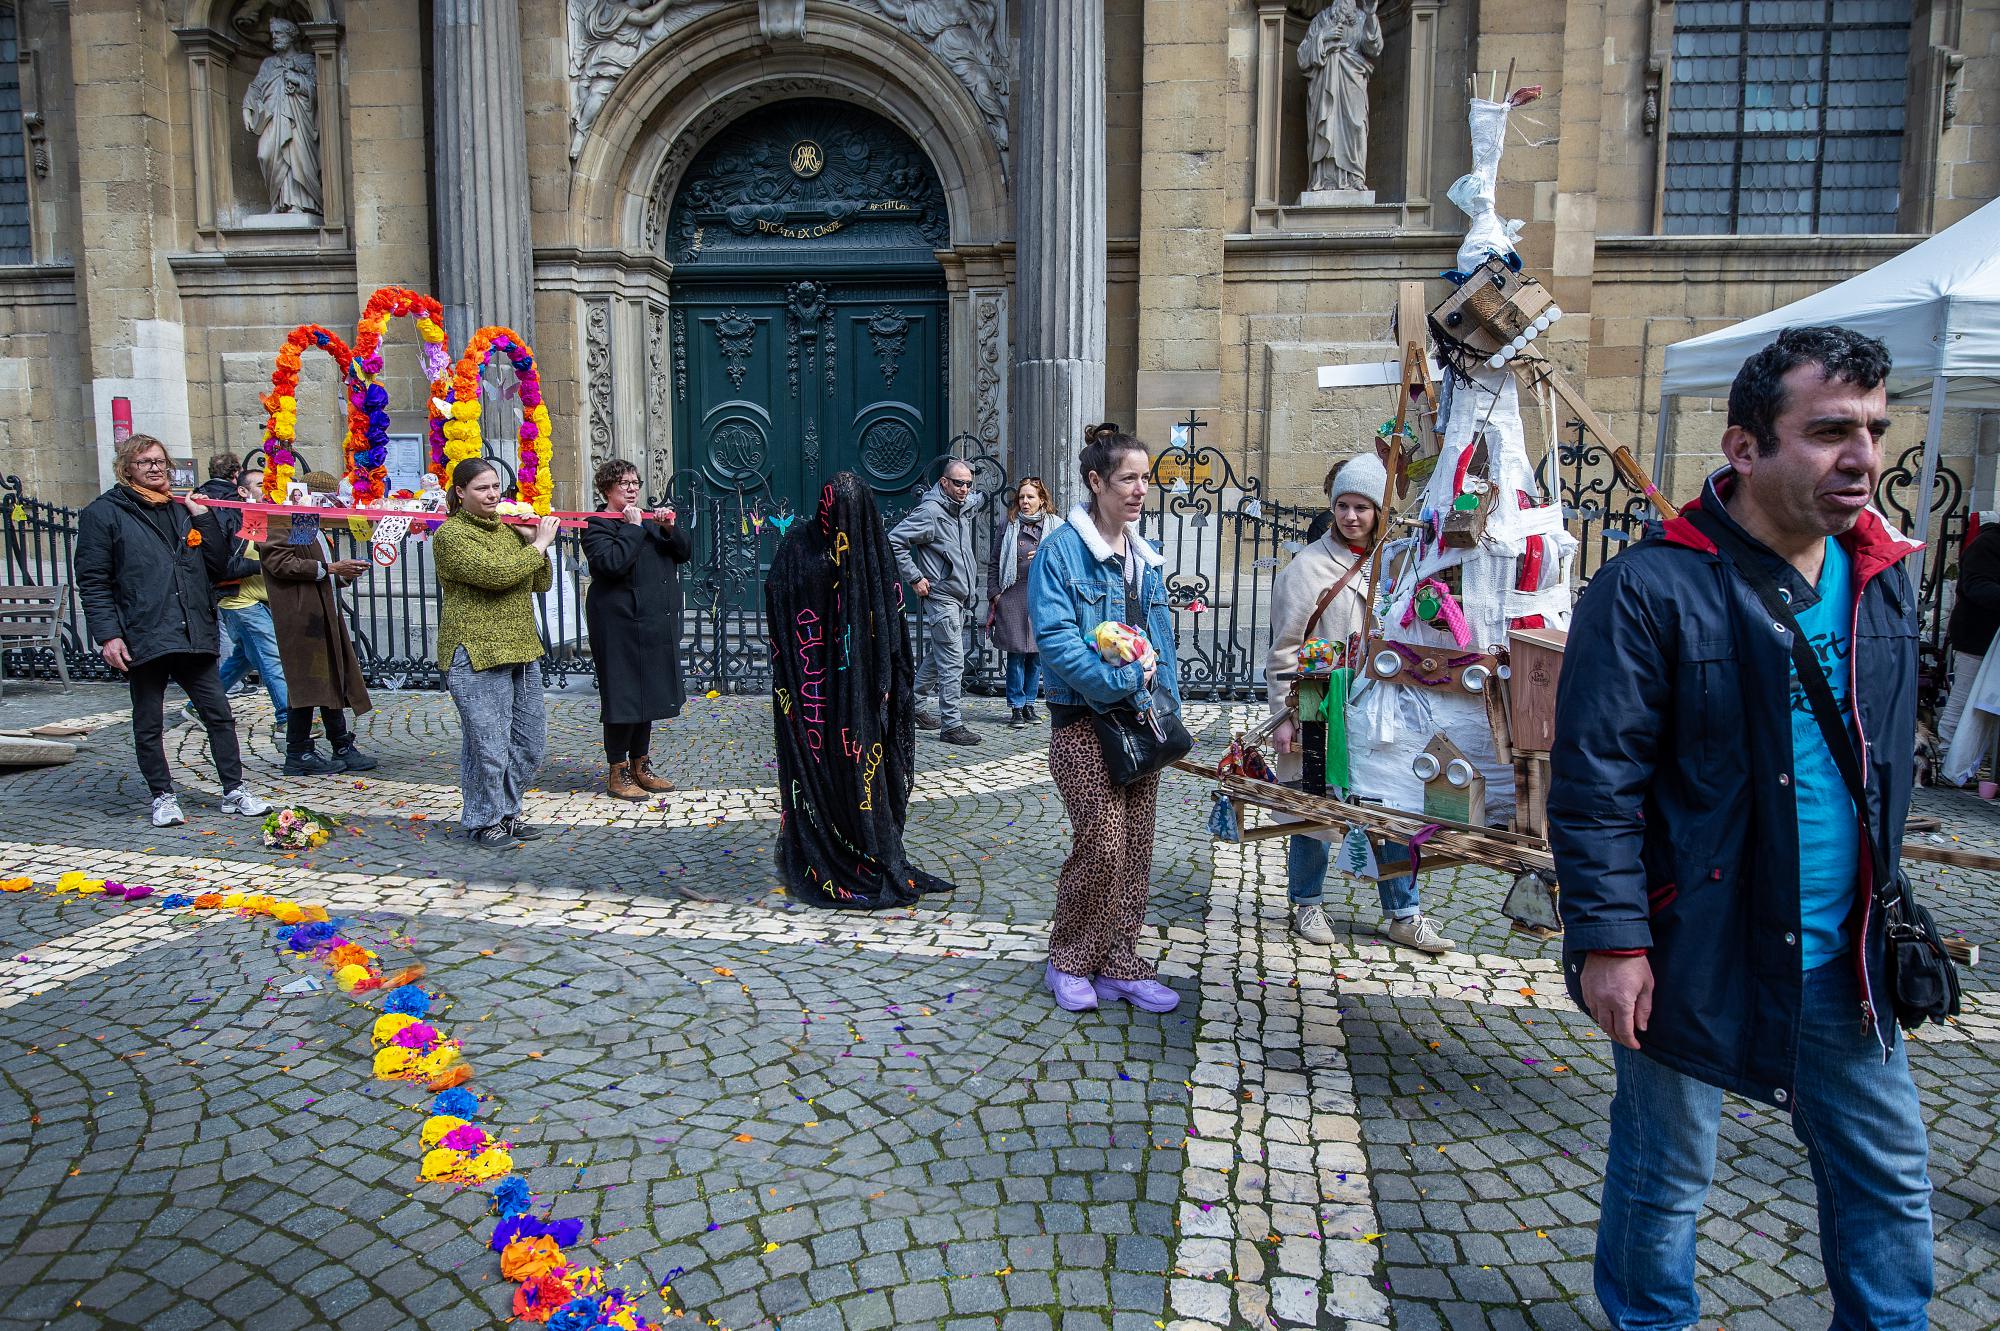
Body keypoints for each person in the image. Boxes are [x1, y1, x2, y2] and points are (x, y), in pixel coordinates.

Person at [1549, 326, 1933, 1330]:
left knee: (1887, 1178)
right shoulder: (1647, 587)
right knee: (1665, 1172)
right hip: (1695, 949)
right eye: (1826, 431)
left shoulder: (1884, 576)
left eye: (1872, 429)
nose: (1860, 457)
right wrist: (1610, 939)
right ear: (1743, 447)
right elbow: (1596, 786)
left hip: (1843, 955)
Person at [1266, 453, 1454, 953]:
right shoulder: (1307, 569)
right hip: (1316, 702)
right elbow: (1285, 649)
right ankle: (1306, 902)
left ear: (1379, 513)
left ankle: (1403, 912)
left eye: (1362, 508)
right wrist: (1283, 717)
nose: (1350, 517)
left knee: (1392, 806)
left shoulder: (1397, 566)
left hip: (1382, 710)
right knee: (1315, 808)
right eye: (1343, 506)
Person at [1028, 424, 1183, 1015]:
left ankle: (1120, 959)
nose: (1141, 489)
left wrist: (1164, 704)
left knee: (1137, 845)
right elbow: (1058, 642)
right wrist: (1123, 680)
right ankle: (1069, 957)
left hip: (1140, 723)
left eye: (1146, 478)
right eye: (1128, 478)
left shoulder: (1143, 556)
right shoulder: (1061, 552)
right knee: (1102, 840)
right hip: (1084, 722)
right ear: (1096, 481)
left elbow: (1161, 642)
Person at [766, 471, 954, 909]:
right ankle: (816, 845)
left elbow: (892, 625)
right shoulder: (800, 545)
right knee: (819, 768)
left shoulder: (873, 552)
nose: (838, 520)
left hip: (861, 692)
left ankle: (868, 847)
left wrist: (888, 684)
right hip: (812, 689)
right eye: (834, 510)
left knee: (862, 774)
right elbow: (777, 594)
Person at [74, 434, 272, 827]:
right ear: (126, 467)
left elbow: (218, 565)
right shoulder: (104, 513)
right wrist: (108, 635)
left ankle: (234, 790)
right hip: (143, 632)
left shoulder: (183, 509)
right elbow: (93, 581)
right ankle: (162, 796)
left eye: (160, 461)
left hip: (192, 630)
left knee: (218, 714)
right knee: (148, 721)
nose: (155, 467)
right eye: (145, 461)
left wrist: (202, 518)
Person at [433, 457, 561, 848]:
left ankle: (507, 811)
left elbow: (540, 580)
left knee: (529, 742)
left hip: (521, 647)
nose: (492, 495)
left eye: (495, 487)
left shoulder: (507, 530)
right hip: (474, 650)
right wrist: (538, 543)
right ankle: (483, 819)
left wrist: (527, 539)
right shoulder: (451, 536)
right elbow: (496, 576)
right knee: (487, 745)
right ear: (460, 492)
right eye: (482, 488)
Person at [582, 459, 693, 800]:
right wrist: (631, 528)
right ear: (606, 489)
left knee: (648, 693)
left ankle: (640, 764)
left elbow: (684, 553)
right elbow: (611, 565)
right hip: (618, 624)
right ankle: (617, 770)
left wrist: (670, 528)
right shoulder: (596, 524)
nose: (631, 488)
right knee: (624, 695)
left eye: (635, 482)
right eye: (623, 483)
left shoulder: (647, 519)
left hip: (653, 621)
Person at [259, 471, 378, 775]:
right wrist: (331, 568)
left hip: (320, 611)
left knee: (330, 677)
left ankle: (340, 743)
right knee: (308, 682)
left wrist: (340, 575)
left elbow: (317, 570)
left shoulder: (309, 523)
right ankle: (298, 751)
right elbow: (279, 563)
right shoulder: (287, 520)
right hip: (301, 615)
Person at [889, 458, 982, 746]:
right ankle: (951, 725)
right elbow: (895, 540)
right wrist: (915, 578)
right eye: (958, 483)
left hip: (958, 597)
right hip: (941, 597)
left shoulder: (961, 508)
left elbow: (978, 499)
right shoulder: (930, 512)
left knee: (937, 656)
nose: (964, 488)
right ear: (943, 483)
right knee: (953, 662)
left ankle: (911, 706)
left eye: (968, 483)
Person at [207, 463, 290, 730]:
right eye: (259, 485)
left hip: (263, 601)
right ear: (242, 491)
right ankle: (288, 719)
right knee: (272, 657)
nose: (267, 490)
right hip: (240, 602)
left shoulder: (269, 516)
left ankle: (199, 706)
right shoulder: (233, 520)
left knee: (242, 658)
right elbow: (223, 565)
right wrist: (264, 566)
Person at [986, 476, 1061, 728]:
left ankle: (1030, 704)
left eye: (1030, 497)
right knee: (1017, 655)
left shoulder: (1057, 527)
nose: (1025, 501)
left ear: (1042, 500)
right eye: (1021, 497)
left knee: (1037, 655)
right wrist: (995, 593)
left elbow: (1065, 561)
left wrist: (1043, 553)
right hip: (1013, 595)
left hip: (1043, 596)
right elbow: (995, 562)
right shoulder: (1008, 525)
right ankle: (1016, 707)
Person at [1936, 520, 2000, 750]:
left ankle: (1974, 760)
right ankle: (1947, 752)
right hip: (1978, 637)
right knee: (1965, 698)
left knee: (1988, 704)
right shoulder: (1988, 543)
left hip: (1990, 639)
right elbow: (1976, 586)